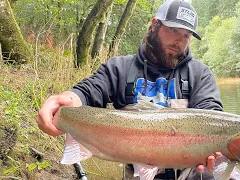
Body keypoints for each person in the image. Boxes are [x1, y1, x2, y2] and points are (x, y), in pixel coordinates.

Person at [36, 0, 224, 179]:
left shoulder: (199, 73)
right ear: (154, 25)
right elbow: (89, 91)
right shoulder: (119, 68)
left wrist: (216, 149)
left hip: (189, 171)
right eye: (173, 30)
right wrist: (66, 100)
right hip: (136, 170)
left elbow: (211, 115)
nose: (179, 41)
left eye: (186, 35)